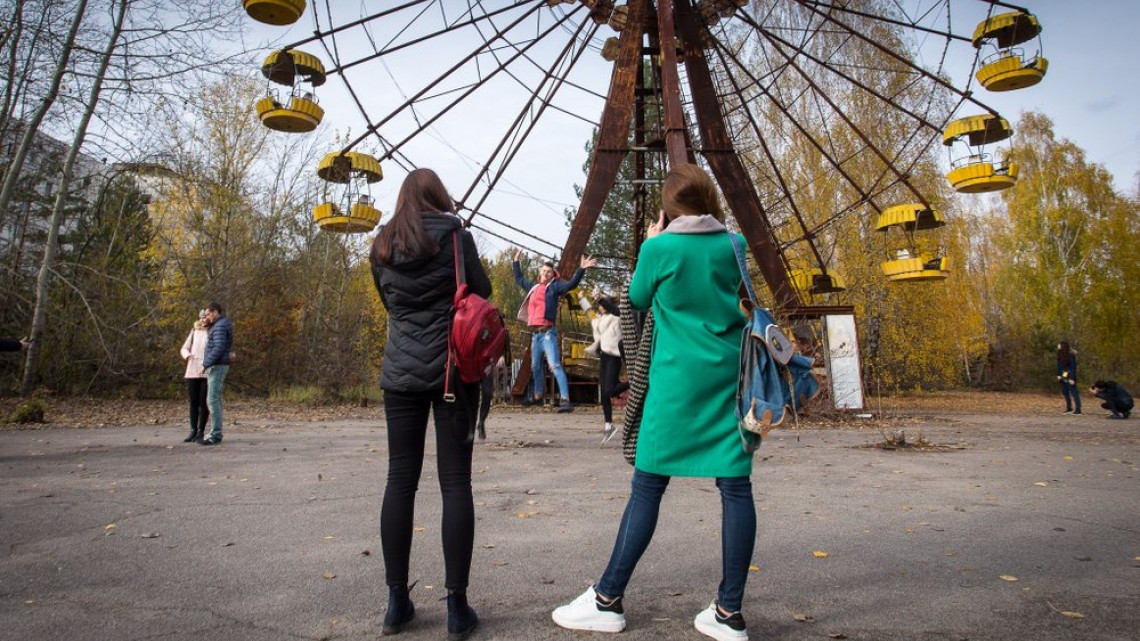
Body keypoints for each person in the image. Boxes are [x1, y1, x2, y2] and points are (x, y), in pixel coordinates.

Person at [552, 163, 758, 641]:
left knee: (647, 487)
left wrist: (651, 240)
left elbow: (638, 297)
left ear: (669, 209)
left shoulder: (659, 248)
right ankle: (729, 612)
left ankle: (607, 599)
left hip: (673, 383)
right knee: (736, 489)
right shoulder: (735, 244)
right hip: (727, 382)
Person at [369, 168, 490, 640]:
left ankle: (395, 603)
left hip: (400, 374)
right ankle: (457, 608)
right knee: (455, 483)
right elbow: (482, 293)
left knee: (399, 480)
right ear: (440, 196)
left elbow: (390, 303)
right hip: (452, 372)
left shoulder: (382, 244)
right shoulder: (457, 239)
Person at [512, 250, 597, 412]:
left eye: (548, 272)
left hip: (547, 334)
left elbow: (570, 285)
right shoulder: (533, 287)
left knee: (555, 365)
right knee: (535, 366)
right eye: (543, 271)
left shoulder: (555, 287)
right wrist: (516, 262)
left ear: (552, 275)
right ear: (540, 272)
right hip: (535, 335)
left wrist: (581, 269)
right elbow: (519, 279)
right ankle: (538, 396)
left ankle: (565, 400)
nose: (545, 273)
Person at [585, 295, 627, 443]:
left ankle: (634, 382)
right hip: (604, 357)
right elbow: (590, 314)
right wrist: (582, 299)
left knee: (610, 391)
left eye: (603, 305)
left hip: (614, 357)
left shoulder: (617, 317)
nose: (601, 307)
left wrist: (599, 297)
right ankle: (608, 426)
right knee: (604, 394)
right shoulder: (600, 319)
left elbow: (614, 309)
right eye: (600, 305)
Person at [200, 302, 233, 446]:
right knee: (215, 399)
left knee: (212, 400)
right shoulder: (218, 325)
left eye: (208, 314)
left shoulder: (220, 326)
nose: (207, 317)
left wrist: (206, 363)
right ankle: (215, 432)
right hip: (218, 364)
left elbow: (219, 347)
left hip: (218, 365)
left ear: (215, 312)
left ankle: (216, 434)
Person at [179, 310, 211, 443]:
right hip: (192, 369)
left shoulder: (211, 331)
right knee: (193, 401)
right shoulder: (194, 331)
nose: (203, 320)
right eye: (201, 318)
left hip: (206, 370)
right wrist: (188, 355)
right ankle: (192, 430)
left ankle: (200, 430)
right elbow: (184, 348)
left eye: (205, 317)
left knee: (204, 402)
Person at [1056, 342, 1082, 415]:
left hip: (1070, 375)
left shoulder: (1071, 356)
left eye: (1059, 344)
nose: (1058, 345)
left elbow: (1073, 367)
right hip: (1064, 375)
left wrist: (1072, 378)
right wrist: (1059, 375)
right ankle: (1069, 407)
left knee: (1074, 392)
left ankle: (1078, 409)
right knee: (1065, 391)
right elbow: (1059, 366)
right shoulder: (1060, 355)